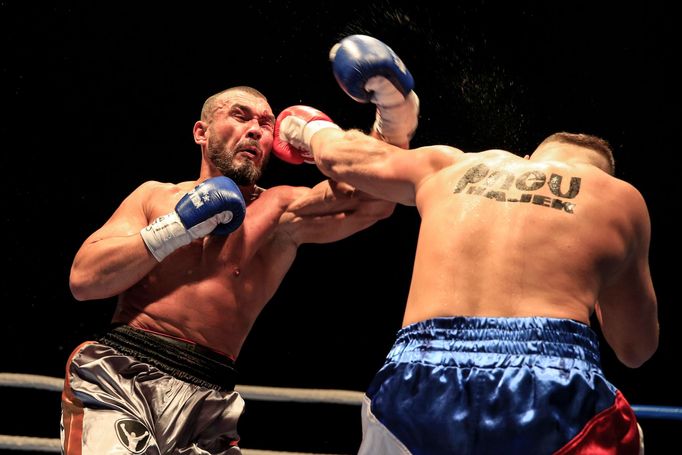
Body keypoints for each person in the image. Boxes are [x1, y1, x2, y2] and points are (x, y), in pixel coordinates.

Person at [274, 92, 658, 451]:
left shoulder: (455, 165)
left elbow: (341, 158)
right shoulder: (620, 198)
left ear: (526, 158)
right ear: (605, 176)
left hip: (419, 379)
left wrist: (305, 126)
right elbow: (635, 349)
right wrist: (605, 279)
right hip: (551, 382)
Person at [60, 82, 408, 454]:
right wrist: (176, 228)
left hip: (211, 400)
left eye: (266, 124)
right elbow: (84, 280)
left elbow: (376, 202)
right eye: (240, 116)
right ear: (201, 132)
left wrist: (379, 123)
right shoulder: (154, 197)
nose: (256, 129)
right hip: (123, 375)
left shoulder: (279, 212)